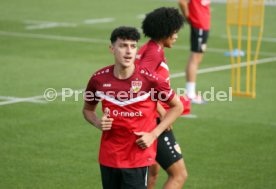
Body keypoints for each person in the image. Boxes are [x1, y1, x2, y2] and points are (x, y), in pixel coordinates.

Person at [82, 26, 183, 189]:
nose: (129, 51)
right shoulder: (98, 79)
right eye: (123, 46)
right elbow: (87, 110)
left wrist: (153, 134)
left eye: (133, 46)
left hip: (137, 159)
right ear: (112, 49)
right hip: (108, 157)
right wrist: (97, 123)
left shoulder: (151, 80)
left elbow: (177, 107)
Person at [135, 7, 189, 189]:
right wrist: (161, 111)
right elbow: (139, 82)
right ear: (164, 31)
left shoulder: (151, 48)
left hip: (148, 119)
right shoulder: (153, 53)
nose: (176, 36)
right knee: (179, 175)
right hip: (152, 123)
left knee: (153, 172)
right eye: (174, 32)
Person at [179, 0, 211, 104]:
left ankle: (191, 92)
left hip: (203, 23)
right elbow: (182, 2)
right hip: (199, 23)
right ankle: (190, 94)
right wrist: (189, 17)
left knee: (197, 58)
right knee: (195, 58)